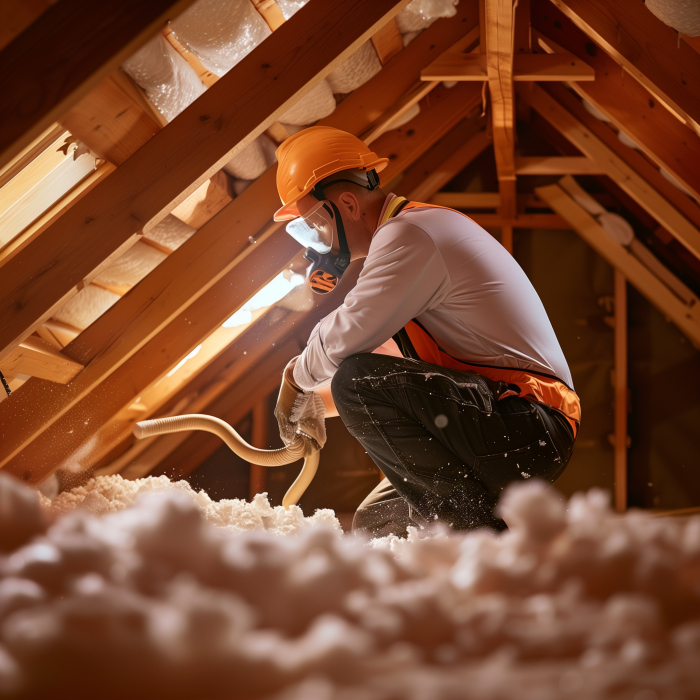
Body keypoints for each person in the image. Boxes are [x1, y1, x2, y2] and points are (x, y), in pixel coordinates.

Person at [273, 126, 580, 538]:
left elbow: (348, 341)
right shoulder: (410, 253)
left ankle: (478, 544)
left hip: (528, 421)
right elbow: (389, 370)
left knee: (356, 381)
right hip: (506, 423)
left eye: (314, 225)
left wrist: (295, 379)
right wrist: (312, 402)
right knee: (379, 522)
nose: (317, 243)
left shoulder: (410, 235)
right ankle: (455, 557)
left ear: (346, 203)